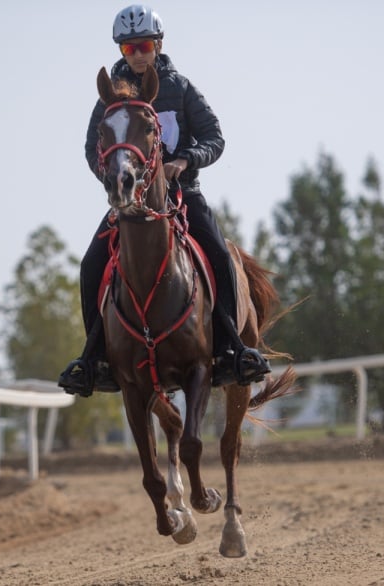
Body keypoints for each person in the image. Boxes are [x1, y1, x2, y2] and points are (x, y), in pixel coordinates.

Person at [59, 5, 270, 396]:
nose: (137, 54)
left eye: (143, 46)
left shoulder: (182, 87)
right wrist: (115, 179)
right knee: (91, 264)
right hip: (129, 201)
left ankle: (231, 348)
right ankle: (94, 359)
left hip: (183, 194)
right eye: (128, 49)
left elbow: (214, 138)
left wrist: (185, 160)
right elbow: (94, 147)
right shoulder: (109, 97)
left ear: (158, 45)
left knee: (221, 257)